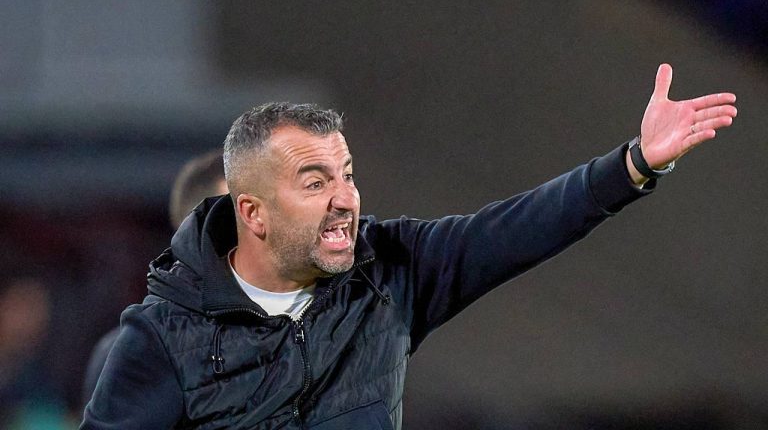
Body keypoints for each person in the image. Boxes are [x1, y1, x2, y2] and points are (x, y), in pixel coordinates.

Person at [81, 64, 737, 430]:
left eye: (347, 175)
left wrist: (632, 165)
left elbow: (516, 229)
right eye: (316, 183)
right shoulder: (160, 339)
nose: (345, 198)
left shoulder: (391, 271)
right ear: (251, 212)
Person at [81, 150, 227, 408]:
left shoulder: (294, 339)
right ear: (195, 233)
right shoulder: (136, 353)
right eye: (240, 213)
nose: (260, 224)